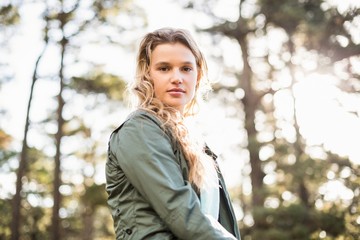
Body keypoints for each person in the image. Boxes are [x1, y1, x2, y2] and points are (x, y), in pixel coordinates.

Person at [105, 27, 241, 240]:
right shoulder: (139, 129)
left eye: (186, 68)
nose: (177, 78)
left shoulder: (197, 143)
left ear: (198, 75)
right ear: (147, 74)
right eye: (164, 68)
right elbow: (178, 209)